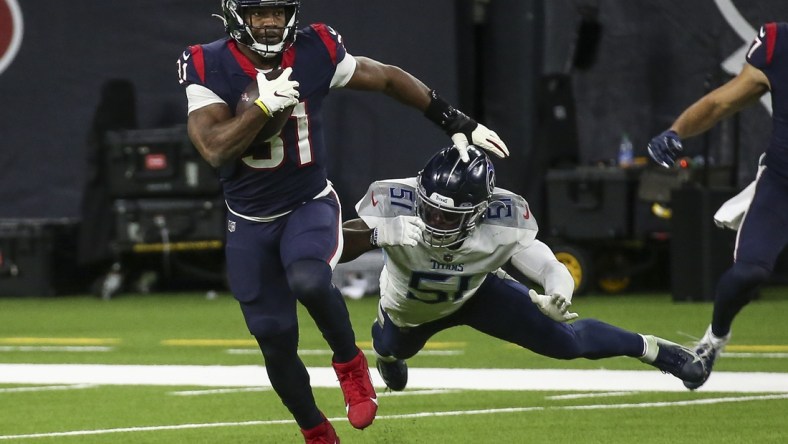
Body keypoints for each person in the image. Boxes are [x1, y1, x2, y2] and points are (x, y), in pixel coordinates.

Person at [176, 1, 508, 442]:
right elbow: (215, 149)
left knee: (310, 281)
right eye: (259, 13)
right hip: (248, 219)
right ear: (238, 16)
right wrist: (260, 107)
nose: (270, 22)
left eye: (277, 11)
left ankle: (350, 365)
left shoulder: (314, 49)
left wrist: (454, 120)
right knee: (273, 338)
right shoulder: (207, 62)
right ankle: (315, 430)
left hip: (306, 202)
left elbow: (385, 77)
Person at [340, 145, 705, 394]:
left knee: (568, 342)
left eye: (449, 217)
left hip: (476, 293)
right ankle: (388, 356)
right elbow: (336, 246)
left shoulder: (503, 218)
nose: (435, 222)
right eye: (430, 211)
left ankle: (656, 351)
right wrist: (377, 234)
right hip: (409, 309)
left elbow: (548, 263)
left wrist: (559, 292)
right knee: (389, 348)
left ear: (479, 211)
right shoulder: (392, 202)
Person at [646, 22, 787, 390]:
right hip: (782, 183)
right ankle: (713, 341)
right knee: (747, 273)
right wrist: (677, 131)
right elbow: (721, 101)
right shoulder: (779, 43)